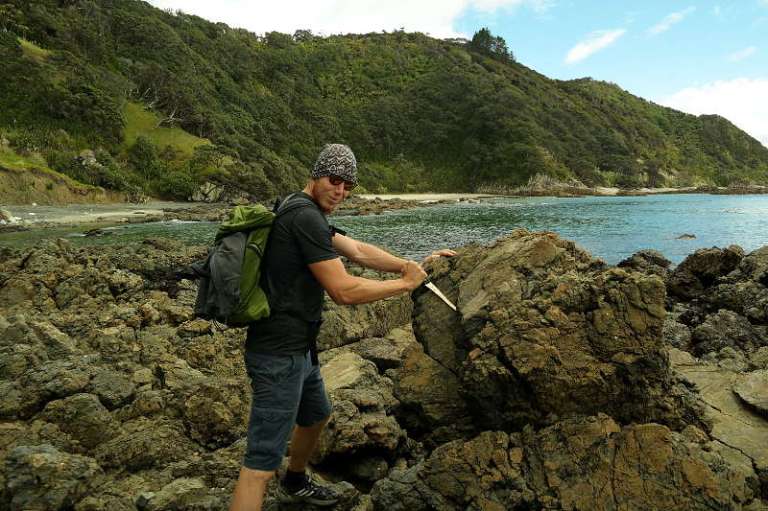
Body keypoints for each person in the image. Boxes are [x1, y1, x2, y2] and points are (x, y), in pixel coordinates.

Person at [228, 144, 455, 511]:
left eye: (348, 185)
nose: (341, 191)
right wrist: (404, 286)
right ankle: (278, 481)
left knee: (317, 413)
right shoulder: (303, 217)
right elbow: (343, 290)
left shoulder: (306, 212)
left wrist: (408, 266)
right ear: (316, 176)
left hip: (300, 348)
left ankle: (297, 480)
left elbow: (359, 250)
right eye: (334, 180)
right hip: (277, 353)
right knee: (259, 465)